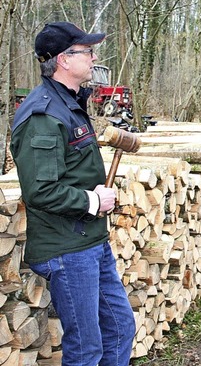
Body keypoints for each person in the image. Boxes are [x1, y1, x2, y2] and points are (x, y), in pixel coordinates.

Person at [10, 22, 135, 365]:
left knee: (121, 328)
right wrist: (93, 201)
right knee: (85, 349)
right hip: (66, 249)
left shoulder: (69, 103)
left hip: (89, 240)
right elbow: (40, 190)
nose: (94, 58)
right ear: (64, 60)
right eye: (88, 52)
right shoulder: (43, 115)